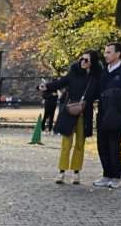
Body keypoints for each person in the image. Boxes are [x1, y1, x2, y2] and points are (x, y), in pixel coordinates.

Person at [39, 50, 100, 186]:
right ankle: (61, 172)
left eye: (86, 60)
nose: (82, 62)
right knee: (66, 144)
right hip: (70, 112)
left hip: (85, 114)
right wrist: (45, 87)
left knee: (80, 145)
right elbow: (60, 83)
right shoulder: (74, 73)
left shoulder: (96, 77)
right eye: (81, 59)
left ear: (93, 62)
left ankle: (76, 173)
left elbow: (99, 92)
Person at [95, 41, 121, 189]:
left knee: (114, 146)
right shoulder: (104, 72)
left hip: (117, 115)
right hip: (103, 114)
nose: (106, 55)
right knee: (102, 145)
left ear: (117, 54)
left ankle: (116, 177)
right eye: (105, 52)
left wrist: (113, 95)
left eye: (109, 52)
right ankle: (106, 174)